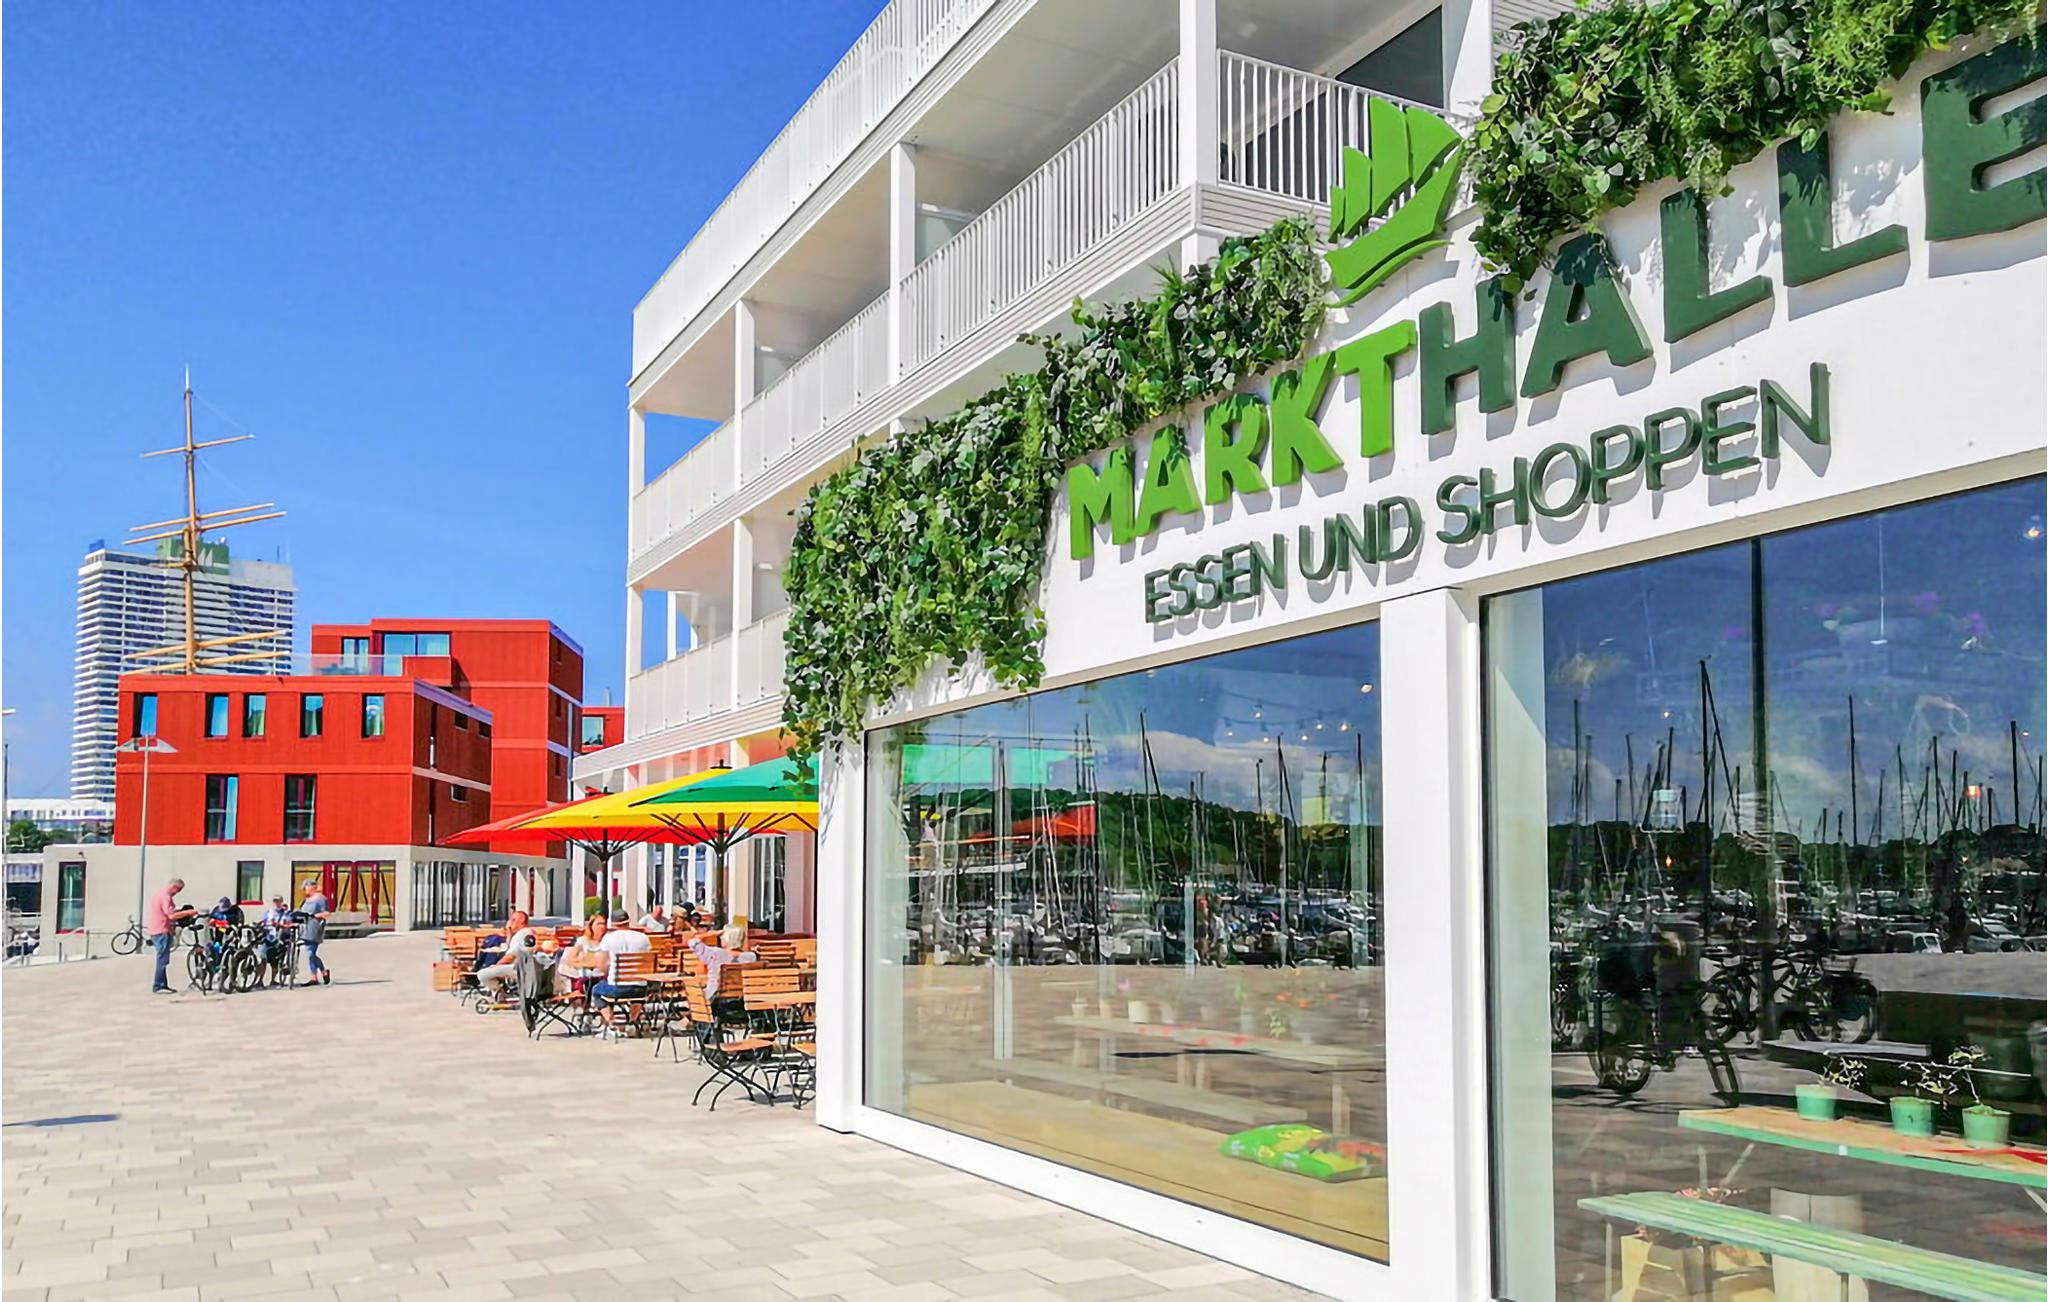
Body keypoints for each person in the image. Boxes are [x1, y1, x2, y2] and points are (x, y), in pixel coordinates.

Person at [591, 910, 652, 1028]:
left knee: (596, 990)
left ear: (613, 923)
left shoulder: (609, 938)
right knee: (637, 994)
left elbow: (601, 964)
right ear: (628, 921)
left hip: (617, 987)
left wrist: (607, 972)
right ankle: (632, 1022)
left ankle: (611, 1022)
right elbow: (647, 961)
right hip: (640, 987)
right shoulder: (643, 938)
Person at [687, 923, 758, 1016]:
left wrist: (712, 933)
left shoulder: (715, 953)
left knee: (694, 989)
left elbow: (693, 942)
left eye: (722, 936)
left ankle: (687, 1020)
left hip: (715, 996)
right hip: (742, 997)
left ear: (727, 939)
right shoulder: (751, 957)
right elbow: (755, 955)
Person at [145, 877, 197, 994]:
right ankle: (158, 985)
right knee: (162, 959)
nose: (177, 893)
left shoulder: (159, 894)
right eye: (178, 890)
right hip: (161, 930)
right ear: (174, 887)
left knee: (163, 959)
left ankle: (163, 984)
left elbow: (169, 912)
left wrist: (180, 911)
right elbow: (171, 915)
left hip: (159, 929)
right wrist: (189, 912)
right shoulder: (165, 896)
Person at [476, 910, 539, 995]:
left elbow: (511, 956)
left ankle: (498, 990)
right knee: (490, 971)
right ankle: (500, 992)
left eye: (513, 920)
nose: (510, 922)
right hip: (524, 968)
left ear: (522, 919)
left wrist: (497, 966)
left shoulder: (522, 933)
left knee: (482, 974)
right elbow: (510, 949)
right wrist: (509, 933)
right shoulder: (526, 933)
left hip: (518, 968)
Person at [296, 879, 333, 987]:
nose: (304, 890)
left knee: (310, 953)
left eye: (305, 888)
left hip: (315, 928)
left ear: (312, 887)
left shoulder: (320, 899)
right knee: (310, 953)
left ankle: (316, 975)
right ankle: (320, 973)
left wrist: (314, 916)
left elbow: (327, 913)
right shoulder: (306, 900)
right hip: (305, 928)